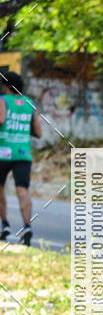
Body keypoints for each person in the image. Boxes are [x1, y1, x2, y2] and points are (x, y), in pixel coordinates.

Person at [0, 71, 41, 246]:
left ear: (7, 87)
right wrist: (22, 128)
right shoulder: (29, 103)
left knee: (0, 188)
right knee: (22, 190)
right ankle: (27, 227)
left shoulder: (3, 100)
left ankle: (5, 225)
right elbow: (38, 132)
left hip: (3, 152)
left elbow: (1, 120)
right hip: (23, 153)